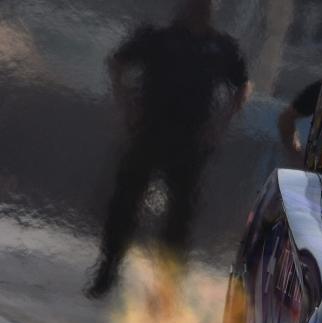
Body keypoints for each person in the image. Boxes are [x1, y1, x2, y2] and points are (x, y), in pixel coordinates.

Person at [86, 0, 250, 298]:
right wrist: (127, 106)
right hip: (150, 131)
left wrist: (221, 123)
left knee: (180, 217)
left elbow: (242, 84)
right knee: (125, 204)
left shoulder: (221, 47)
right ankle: (108, 271)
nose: (201, 9)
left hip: (190, 139)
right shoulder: (158, 38)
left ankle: (166, 286)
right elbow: (118, 62)